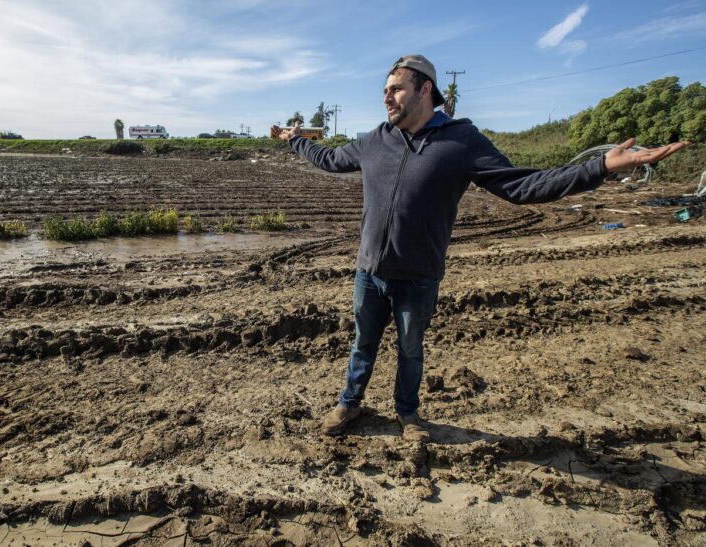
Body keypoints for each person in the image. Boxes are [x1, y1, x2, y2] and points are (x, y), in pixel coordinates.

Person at [271, 54, 689, 442]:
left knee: (410, 348)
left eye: (395, 88)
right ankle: (350, 403)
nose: (387, 97)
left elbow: (523, 186)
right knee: (363, 343)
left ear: (424, 90)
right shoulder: (375, 140)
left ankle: (408, 414)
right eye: (384, 90)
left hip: (418, 276)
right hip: (369, 271)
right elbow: (327, 158)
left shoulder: (461, 142)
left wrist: (600, 167)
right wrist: (294, 138)